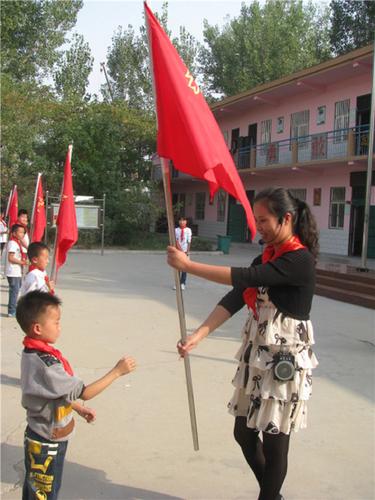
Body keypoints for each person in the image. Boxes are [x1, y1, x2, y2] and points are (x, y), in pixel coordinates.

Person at [167, 187, 319, 500]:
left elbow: (243, 277)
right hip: (257, 358)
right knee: (244, 432)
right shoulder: (267, 256)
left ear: (286, 218)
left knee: (275, 440)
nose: (258, 227)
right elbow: (236, 296)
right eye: (256, 220)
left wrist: (188, 266)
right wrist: (198, 335)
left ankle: (269, 497)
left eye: (263, 220)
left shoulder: (299, 260)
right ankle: (272, 496)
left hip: (283, 362)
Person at [16, 291, 136, 500]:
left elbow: (50, 394)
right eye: (56, 322)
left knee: (38, 489)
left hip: (42, 435)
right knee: (43, 493)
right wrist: (117, 371)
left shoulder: (34, 353)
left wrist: (77, 408)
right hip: (46, 442)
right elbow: (86, 392)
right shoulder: (47, 364)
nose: (59, 327)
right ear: (37, 328)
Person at [5, 224, 27, 317]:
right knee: (14, 291)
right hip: (12, 271)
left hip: (17, 271)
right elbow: (11, 258)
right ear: (14, 233)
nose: (22, 234)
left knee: (17, 289)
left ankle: (14, 307)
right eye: (20, 232)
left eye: (23, 232)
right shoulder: (13, 243)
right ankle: (11, 311)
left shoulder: (17, 243)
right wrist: (22, 262)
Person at [173, 216, 192, 290]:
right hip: (178, 250)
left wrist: (187, 251)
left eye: (184, 220)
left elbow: (189, 241)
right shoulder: (176, 230)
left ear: (186, 222)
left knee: (184, 268)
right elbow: (176, 240)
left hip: (185, 251)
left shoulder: (188, 230)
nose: (182, 222)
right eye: (180, 220)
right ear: (178, 222)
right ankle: (177, 283)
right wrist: (180, 250)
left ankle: (183, 283)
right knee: (177, 267)